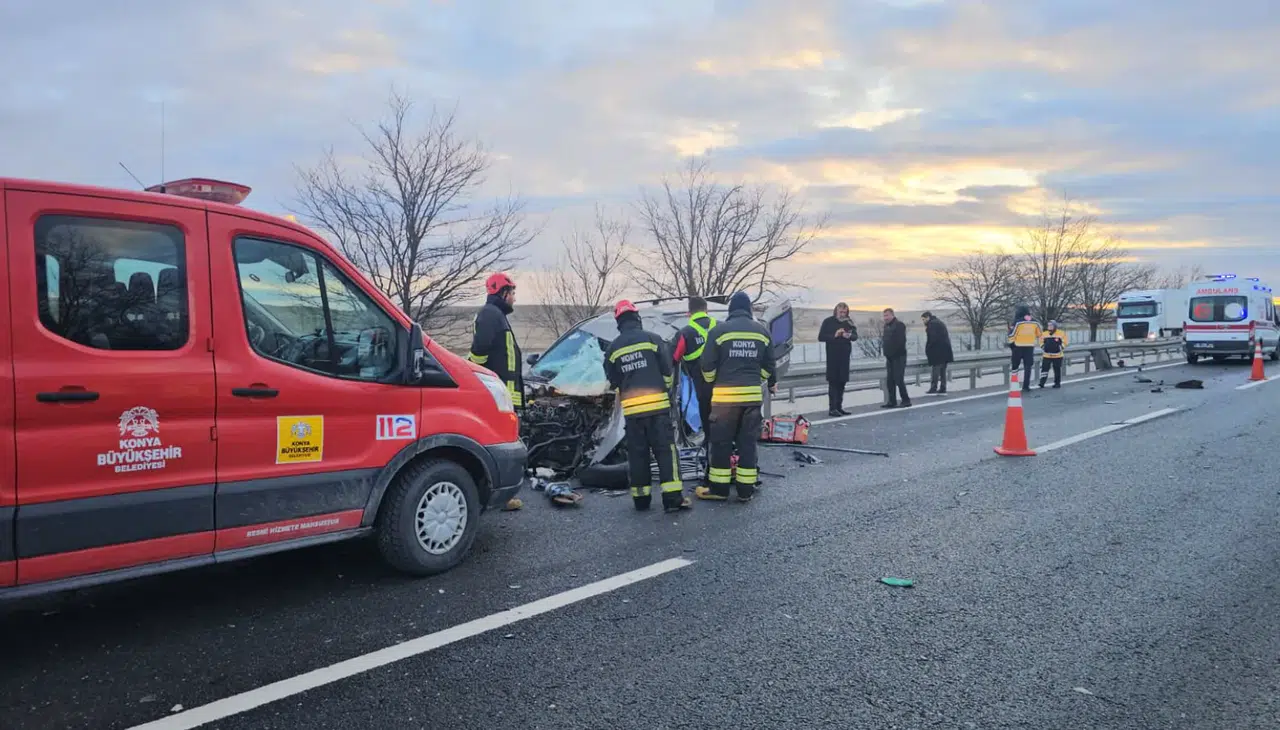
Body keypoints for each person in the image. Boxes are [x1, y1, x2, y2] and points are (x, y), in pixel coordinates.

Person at [604, 300, 692, 513]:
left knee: (638, 456)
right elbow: (667, 372)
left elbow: (613, 381)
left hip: (633, 413)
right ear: (637, 317)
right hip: (658, 409)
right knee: (666, 452)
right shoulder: (653, 340)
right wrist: (665, 392)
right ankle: (672, 499)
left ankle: (641, 500)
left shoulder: (613, 349)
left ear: (618, 322)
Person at [698, 291, 777, 503]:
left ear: (731, 309)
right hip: (751, 399)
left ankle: (719, 489)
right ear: (749, 309)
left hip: (725, 400)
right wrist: (757, 379)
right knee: (747, 444)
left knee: (721, 444)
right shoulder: (762, 332)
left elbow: (707, 365)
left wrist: (713, 380)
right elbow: (769, 365)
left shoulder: (718, 331)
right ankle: (745, 490)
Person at [468, 272, 524, 410]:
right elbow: (479, 351)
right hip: (500, 393)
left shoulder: (496, 314)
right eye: (512, 294)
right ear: (504, 293)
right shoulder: (490, 314)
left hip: (503, 392)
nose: (514, 299)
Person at [670, 296, 717, 435]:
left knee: (707, 419)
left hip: (703, 391)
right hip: (726, 388)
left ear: (688, 314)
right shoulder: (722, 327)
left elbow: (673, 359)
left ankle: (709, 444)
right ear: (706, 311)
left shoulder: (684, 333)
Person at [818, 302, 859, 416]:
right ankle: (832, 408)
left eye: (844, 312)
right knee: (833, 382)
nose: (842, 314)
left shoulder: (849, 322)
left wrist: (848, 335)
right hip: (832, 356)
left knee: (842, 382)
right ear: (836, 311)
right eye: (840, 312)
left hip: (844, 356)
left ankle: (839, 407)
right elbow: (821, 337)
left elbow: (855, 336)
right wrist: (834, 335)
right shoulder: (828, 321)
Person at [880, 308, 910, 408]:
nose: (885, 318)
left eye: (887, 315)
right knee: (890, 380)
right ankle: (892, 401)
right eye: (884, 316)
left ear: (892, 315)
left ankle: (906, 400)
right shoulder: (886, 326)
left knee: (898, 379)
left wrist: (893, 352)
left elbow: (901, 341)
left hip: (899, 356)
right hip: (889, 357)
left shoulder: (899, 325)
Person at [1007, 306, 1042, 392]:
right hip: (1029, 347)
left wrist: (1011, 344)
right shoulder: (1035, 322)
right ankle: (1026, 386)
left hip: (1018, 347)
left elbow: (1011, 334)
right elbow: (1039, 334)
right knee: (1028, 367)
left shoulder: (1017, 322)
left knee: (1015, 367)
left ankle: (1014, 385)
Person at [921, 311, 954, 395]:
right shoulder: (939, 322)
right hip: (946, 350)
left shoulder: (931, 325)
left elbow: (932, 339)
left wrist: (928, 348)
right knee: (943, 370)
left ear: (928, 317)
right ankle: (943, 387)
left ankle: (933, 387)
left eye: (924, 319)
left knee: (936, 369)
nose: (923, 321)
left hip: (937, 351)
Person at [1038, 320, 1068, 388]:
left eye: (1051, 325)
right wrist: (1044, 348)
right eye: (1048, 325)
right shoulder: (1044, 334)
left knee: (1057, 370)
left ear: (1054, 326)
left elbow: (1065, 342)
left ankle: (1057, 383)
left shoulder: (1061, 333)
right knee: (1044, 370)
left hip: (1058, 355)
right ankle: (1042, 383)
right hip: (1047, 355)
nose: (1049, 326)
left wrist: (1060, 348)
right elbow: (1040, 341)